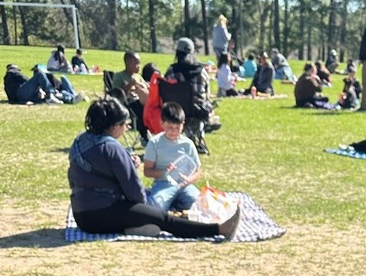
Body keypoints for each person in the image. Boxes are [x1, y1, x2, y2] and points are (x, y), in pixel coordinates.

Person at [67, 97, 240, 238]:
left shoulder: (80, 141)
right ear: (113, 126)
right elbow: (135, 194)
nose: (126, 128)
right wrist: (144, 211)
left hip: (81, 215)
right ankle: (220, 229)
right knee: (163, 218)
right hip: (102, 213)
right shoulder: (112, 148)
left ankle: (136, 226)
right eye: (124, 124)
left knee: (150, 210)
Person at [143, 101, 201, 212]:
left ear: (183, 124)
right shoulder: (155, 143)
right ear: (162, 123)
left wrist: (189, 180)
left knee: (200, 204)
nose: (173, 131)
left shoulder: (188, 144)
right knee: (154, 209)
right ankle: (169, 202)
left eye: (177, 127)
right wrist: (165, 172)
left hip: (184, 186)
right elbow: (147, 171)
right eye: (169, 127)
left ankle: (175, 203)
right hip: (163, 183)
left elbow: (198, 172)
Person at [166, 38, 213, 122]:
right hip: (198, 112)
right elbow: (207, 94)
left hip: (176, 112)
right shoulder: (201, 72)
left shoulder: (171, 71)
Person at [111, 51, 149, 139]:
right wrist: (130, 85)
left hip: (141, 100)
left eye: (139, 63)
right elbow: (116, 93)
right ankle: (144, 135)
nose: (139, 65)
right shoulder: (119, 76)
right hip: (127, 103)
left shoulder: (138, 76)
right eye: (136, 63)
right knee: (140, 109)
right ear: (127, 63)